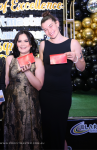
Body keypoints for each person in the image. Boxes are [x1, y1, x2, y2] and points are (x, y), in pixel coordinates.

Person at [39, 11, 85, 149]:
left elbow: (82, 68)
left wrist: (76, 59)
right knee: (47, 127)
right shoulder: (43, 45)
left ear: (57, 23)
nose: (49, 31)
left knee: (59, 126)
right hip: (46, 93)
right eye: (45, 29)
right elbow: (40, 68)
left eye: (51, 26)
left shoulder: (73, 43)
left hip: (63, 93)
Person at [4, 30, 45, 150]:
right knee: (13, 133)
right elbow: (6, 83)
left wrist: (27, 71)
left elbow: (39, 86)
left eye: (26, 41)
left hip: (30, 105)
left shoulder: (37, 61)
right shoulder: (10, 59)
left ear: (31, 44)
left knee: (29, 133)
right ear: (16, 43)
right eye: (19, 41)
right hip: (12, 105)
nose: (22, 44)